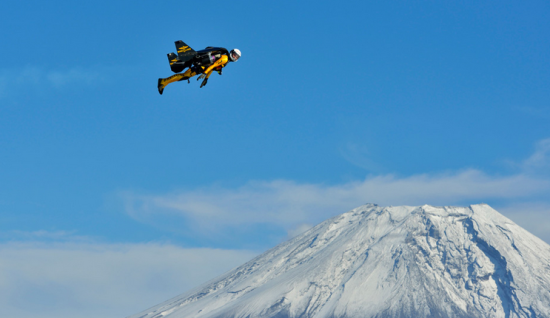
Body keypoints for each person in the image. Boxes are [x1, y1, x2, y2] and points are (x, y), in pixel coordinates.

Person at [158, 48, 241, 94]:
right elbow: (213, 65)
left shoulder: (226, 61)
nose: (235, 57)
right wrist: (204, 74)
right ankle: (163, 81)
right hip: (199, 68)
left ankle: (164, 82)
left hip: (201, 69)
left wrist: (206, 78)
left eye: (237, 57)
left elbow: (212, 68)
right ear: (231, 52)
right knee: (184, 76)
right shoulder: (225, 58)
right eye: (234, 55)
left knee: (184, 76)